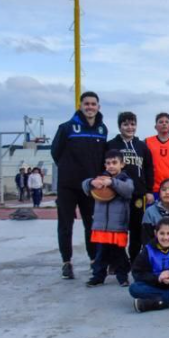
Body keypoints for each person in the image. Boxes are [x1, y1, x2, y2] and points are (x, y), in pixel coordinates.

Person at [51, 91, 107, 279]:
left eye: (93, 104)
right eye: (87, 104)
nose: (90, 107)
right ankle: (66, 261)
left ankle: (93, 260)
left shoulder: (102, 130)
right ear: (81, 106)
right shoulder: (67, 128)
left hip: (90, 187)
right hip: (68, 186)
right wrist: (70, 170)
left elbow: (102, 158)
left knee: (91, 224)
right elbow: (56, 153)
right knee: (65, 224)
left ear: (98, 106)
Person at [82, 150, 135, 287]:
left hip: (118, 226)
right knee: (100, 253)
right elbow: (84, 185)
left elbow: (128, 190)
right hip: (100, 226)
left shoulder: (125, 180)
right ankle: (98, 277)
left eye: (114, 163)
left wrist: (111, 182)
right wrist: (91, 182)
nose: (111, 166)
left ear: (122, 164)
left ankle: (122, 277)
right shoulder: (99, 178)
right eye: (108, 163)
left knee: (119, 253)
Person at [107, 111, 154, 261]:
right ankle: (117, 262)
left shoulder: (141, 146)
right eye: (126, 124)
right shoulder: (111, 145)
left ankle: (134, 259)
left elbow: (148, 168)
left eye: (132, 124)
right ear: (120, 126)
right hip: (117, 193)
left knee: (136, 229)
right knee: (118, 229)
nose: (129, 127)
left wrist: (149, 190)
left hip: (138, 194)